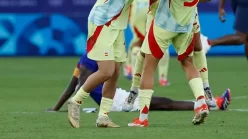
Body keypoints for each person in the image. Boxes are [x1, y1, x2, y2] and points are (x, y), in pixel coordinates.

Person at [67, 0, 175, 129]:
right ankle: (76, 101)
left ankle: (103, 116)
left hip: (117, 24)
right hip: (103, 23)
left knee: (115, 72)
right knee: (106, 70)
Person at [128, 0, 230, 128]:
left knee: (149, 65)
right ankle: (201, 102)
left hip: (165, 23)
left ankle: (142, 117)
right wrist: (185, 2)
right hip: (187, 23)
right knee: (188, 62)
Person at [112, 0, 218, 110]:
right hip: (158, 4)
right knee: (146, 51)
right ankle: (133, 92)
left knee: (197, 46)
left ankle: (206, 90)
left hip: (183, 5)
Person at [47, 54, 229, 113]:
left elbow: (73, 85)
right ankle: (214, 104)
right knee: (164, 103)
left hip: (116, 96)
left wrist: (56, 108)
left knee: (162, 102)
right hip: (115, 103)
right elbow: (78, 85)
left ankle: (208, 104)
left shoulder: (86, 57)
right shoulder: (89, 56)